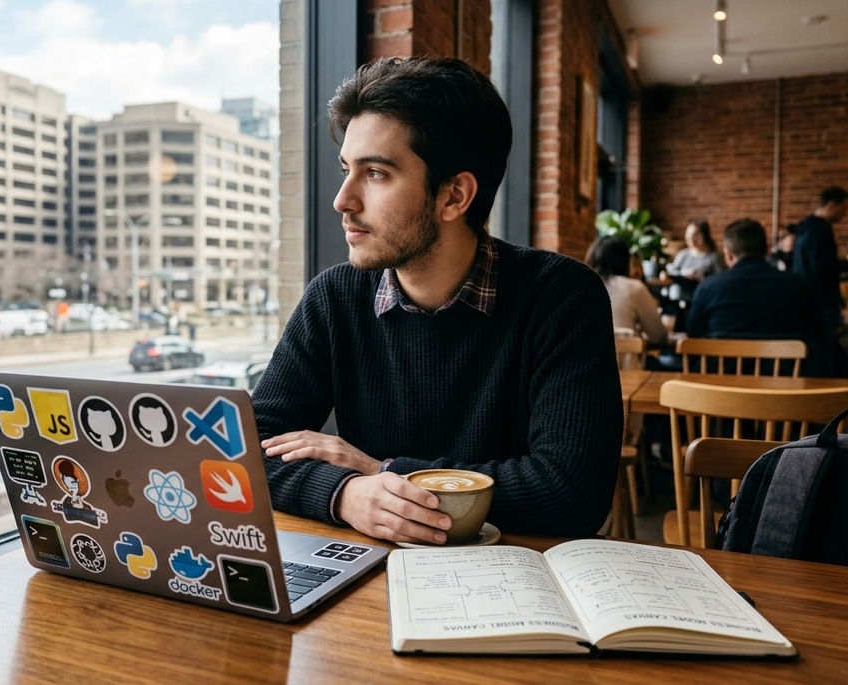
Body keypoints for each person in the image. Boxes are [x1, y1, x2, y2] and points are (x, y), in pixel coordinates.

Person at [252, 57, 622, 544]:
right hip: (370, 577)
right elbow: (245, 449)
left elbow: (570, 493)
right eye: (347, 169)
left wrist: (382, 470)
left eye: (376, 173)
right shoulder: (334, 298)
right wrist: (346, 494)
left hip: (514, 584)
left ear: (454, 196)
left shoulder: (559, 296)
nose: (343, 199)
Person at [686, 219, 819, 358]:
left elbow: (693, 335)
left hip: (720, 375)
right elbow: (816, 333)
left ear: (728, 254)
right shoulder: (797, 284)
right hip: (785, 375)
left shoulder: (708, 287)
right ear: (767, 250)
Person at [793, 187, 848, 376]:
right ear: (831, 204)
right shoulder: (821, 229)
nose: (844, 214)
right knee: (825, 350)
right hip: (822, 300)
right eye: (843, 209)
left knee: (816, 348)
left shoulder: (804, 226)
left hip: (805, 296)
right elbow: (822, 267)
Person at [586, 237, 667, 345]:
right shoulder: (634, 287)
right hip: (626, 360)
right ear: (624, 260)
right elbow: (659, 336)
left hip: (585, 360)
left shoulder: (581, 288)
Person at [665, 220, 726, 291]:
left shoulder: (715, 256)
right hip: (679, 295)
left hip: (702, 292)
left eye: (695, 234)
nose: (690, 237)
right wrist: (685, 273)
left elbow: (721, 278)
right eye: (688, 234)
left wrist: (700, 277)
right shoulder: (683, 254)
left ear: (704, 236)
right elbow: (673, 271)